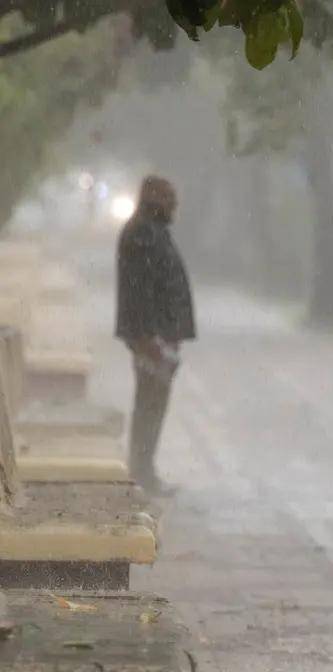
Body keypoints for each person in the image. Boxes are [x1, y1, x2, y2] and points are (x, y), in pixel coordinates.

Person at [115, 175, 195, 495]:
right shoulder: (143, 234)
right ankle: (142, 472)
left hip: (157, 336)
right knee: (150, 403)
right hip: (151, 338)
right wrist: (149, 338)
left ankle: (144, 469)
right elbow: (140, 291)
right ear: (154, 197)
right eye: (168, 196)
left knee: (153, 402)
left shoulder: (151, 231)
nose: (175, 203)